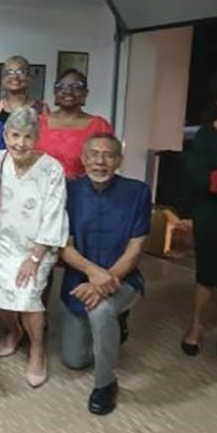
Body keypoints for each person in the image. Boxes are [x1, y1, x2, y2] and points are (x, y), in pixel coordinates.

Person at [60, 133, 151, 414]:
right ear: (84, 159)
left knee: (101, 312)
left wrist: (103, 282)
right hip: (79, 282)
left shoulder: (138, 192)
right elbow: (65, 247)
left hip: (123, 278)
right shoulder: (68, 191)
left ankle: (105, 384)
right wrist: (91, 273)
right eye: (94, 154)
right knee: (74, 360)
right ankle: (113, 324)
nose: (100, 161)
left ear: (119, 160)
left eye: (109, 155)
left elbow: (136, 249)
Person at [0, 107, 68, 388]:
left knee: (28, 296)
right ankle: (13, 330)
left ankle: (37, 348)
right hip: (4, 242)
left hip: (38, 246)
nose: (20, 143)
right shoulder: (0, 160)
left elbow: (55, 214)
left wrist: (35, 258)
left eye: (27, 137)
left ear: (37, 138)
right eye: (15, 135)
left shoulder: (52, 169)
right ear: (5, 135)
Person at [181, 69, 217, 359]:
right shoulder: (208, 135)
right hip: (214, 214)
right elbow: (195, 177)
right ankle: (196, 327)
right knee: (207, 274)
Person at [35, 68, 112, 179]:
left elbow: (107, 163)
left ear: (85, 93)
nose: (68, 91)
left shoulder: (99, 126)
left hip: (84, 192)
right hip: (40, 191)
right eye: (62, 86)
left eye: (76, 86)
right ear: (55, 92)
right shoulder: (38, 122)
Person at [0, 55, 49, 124]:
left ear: (29, 78)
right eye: (10, 72)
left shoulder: (41, 108)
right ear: (3, 80)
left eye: (20, 72)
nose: (15, 76)